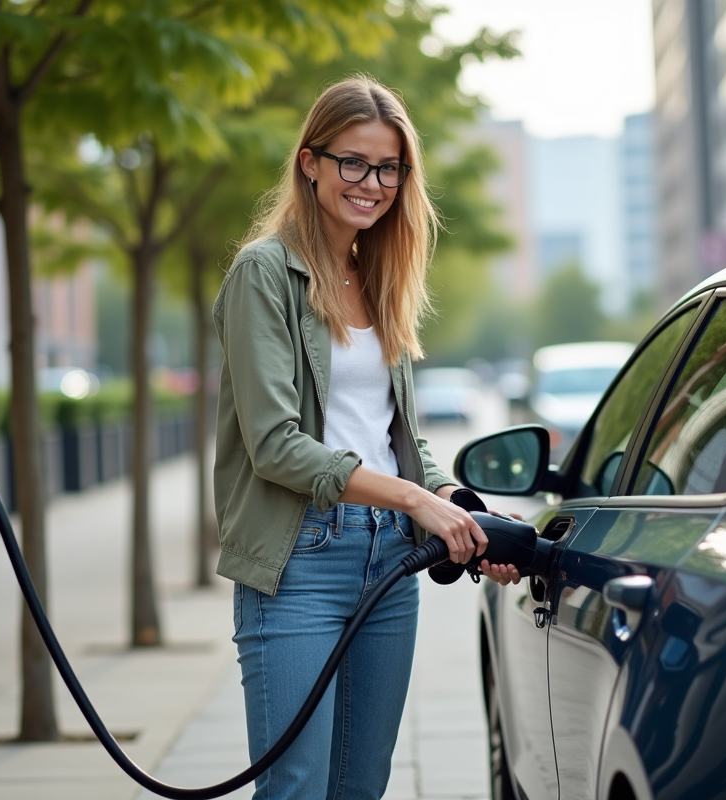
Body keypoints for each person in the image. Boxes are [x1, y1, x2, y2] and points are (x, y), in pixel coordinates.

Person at [212, 75, 520, 800]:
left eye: (388, 168)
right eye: (353, 161)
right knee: (296, 786)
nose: (371, 183)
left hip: (388, 560)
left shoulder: (376, 275)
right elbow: (276, 446)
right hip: (298, 561)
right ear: (310, 162)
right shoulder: (264, 274)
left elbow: (399, 438)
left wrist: (460, 509)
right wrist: (416, 499)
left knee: (361, 786)